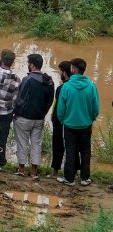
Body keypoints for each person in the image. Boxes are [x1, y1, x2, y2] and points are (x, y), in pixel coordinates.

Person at [58, 56, 100, 187]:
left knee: (70, 150)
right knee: (86, 152)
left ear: (73, 69)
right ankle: (85, 178)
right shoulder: (91, 86)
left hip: (69, 125)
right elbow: (95, 108)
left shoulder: (66, 86)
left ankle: (69, 179)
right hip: (86, 125)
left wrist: (63, 120)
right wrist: (90, 119)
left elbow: (61, 109)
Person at [13, 53, 54, 179]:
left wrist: (16, 113)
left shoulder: (28, 80)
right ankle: (34, 172)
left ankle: (21, 169)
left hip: (24, 118)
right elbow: (50, 101)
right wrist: (43, 113)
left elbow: (20, 100)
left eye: (28, 63)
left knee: (22, 143)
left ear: (32, 65)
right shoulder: (49, 81)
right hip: (39, 118)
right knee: (37, 143)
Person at [50, 60, 73, 177]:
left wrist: (55, 120)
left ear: (64, 73)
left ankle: (55, 171)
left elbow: (58, 107)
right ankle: (73, 172)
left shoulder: (62, 88)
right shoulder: (88, 85)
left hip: (61, 122)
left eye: (60, 71)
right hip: (75, 122)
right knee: (73, 148)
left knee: (58, 146)